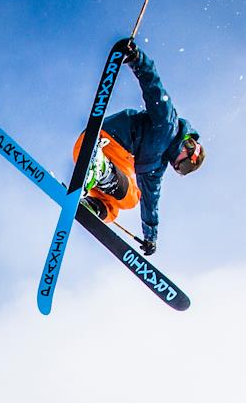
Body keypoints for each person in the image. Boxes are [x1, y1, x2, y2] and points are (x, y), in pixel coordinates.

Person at [74, 38, 203, 255]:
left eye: (181, 171)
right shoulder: (168, 124)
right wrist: (137, 59)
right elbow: (155, 89)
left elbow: (151, 201)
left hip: (85, 151)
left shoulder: (155, 167)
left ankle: (95, 207)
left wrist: (150, 236)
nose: (177, 166)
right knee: (133, 196)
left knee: (128, 200)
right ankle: (101, 169)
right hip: (107, 141)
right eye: (185, 164)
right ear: (189, 146)